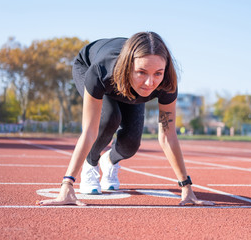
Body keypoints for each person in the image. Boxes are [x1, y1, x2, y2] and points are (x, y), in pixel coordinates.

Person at [36, 31, 214, 206]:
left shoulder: (166, 83)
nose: (149, 83)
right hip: (91, 67)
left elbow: (167, 136)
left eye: (157, 73)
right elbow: (89, 130)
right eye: (142, 72)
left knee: (131, 144)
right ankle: (92, 163)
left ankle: (110, 160)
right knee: (110, 117)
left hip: (128, 86)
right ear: (129, 66)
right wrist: (67, 184)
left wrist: (186, 187)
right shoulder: (100, 71)